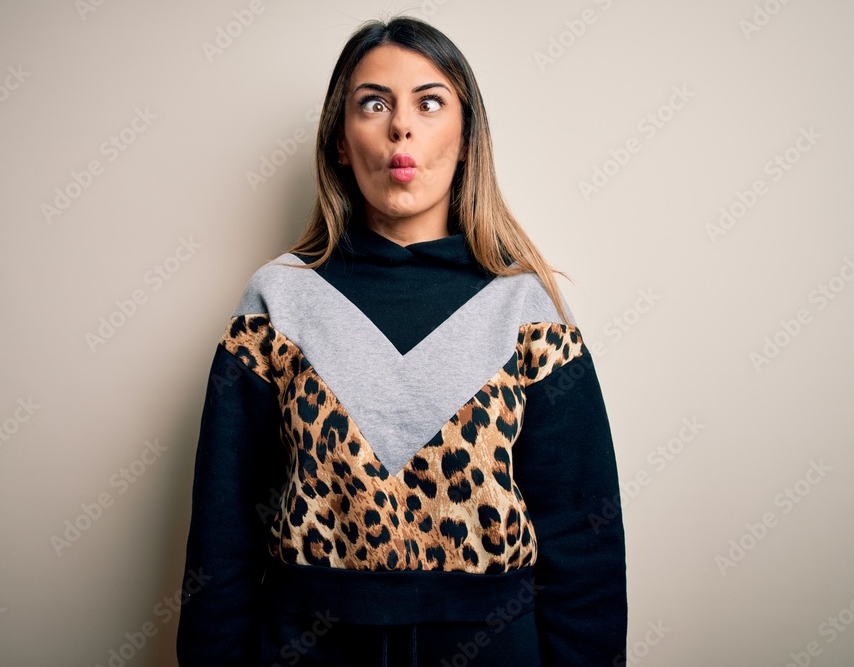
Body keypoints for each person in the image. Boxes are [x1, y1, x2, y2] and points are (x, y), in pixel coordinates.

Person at [176, 14, 626, 667]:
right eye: (373, 103)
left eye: (430, 101)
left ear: (468, 138)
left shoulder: (529, 310)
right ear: (338, 141)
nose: (400, 127)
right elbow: (223, 533)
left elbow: (584, 537)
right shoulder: (276, 302)